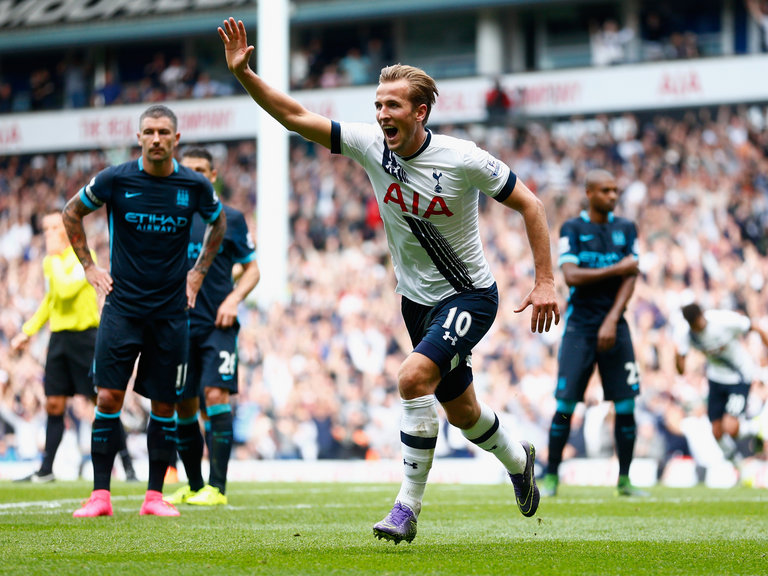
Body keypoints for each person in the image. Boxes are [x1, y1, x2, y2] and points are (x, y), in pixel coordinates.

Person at [219, 18, 560, 544]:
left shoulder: (462, 158)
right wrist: (246, 75)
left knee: (411, 379)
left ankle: (406, 508)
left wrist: (544, 281)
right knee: (464, 412)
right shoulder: (369, 145)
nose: (381, 115)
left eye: (392, 106)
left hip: (469, 295)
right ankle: (519, 462)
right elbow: (292, 116)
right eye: (378, 106)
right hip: (415, 302)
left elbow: (530, 204)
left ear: (420, 111)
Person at [62, 104, 226, 517]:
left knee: (165, 403)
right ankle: (101, 495)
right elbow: (71, 212)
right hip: (123, 307)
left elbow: (218, 222)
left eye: (163, 132)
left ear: (176, 139)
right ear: (139, 138)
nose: (156, 138)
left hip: (171, 312)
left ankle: (154, 496)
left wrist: (198, 274)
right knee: (108, 395)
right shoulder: (116, 179)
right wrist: (89, 266)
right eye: (149, 131)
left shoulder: (193, 185)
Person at [164, 147, 260, 507]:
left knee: (215, 396)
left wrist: (234, 299)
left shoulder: (230, 218)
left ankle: (217, 489)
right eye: (189, 170)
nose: (196, 176)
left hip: (218, 324)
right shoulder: (169, 217)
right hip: (177, 326)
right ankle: (194, 484)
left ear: (213, 175)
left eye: (202, 170)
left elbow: (253, 269)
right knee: (184, 406)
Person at [541, 169, 645, 498]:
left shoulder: (626, 228)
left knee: (626, 405)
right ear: (590, 193)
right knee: (566, 403)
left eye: (615, 190)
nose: (613, 196)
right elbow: (572, 276)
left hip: (615, 324)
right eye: (605, 191)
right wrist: (619, 267)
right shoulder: (572, 228)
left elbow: (632, 278)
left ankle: (625, 480)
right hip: (579, 327)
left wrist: (612, 318)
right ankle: (552, 476)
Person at [11, 211, 136, 483]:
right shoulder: (50, 263)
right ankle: (46, 470)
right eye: (46, 228)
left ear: (67, 231)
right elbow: (51, 301)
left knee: (104, 401)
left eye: (55, 227)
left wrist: (53, 260)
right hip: (59, 339)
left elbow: (66, 290)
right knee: (54, 403)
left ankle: (128, 468)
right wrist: (27, 332)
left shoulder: (82, 257)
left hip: (85, 338)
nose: (49, 233)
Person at [674, 302, 768, 460]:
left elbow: (755, 327)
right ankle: (736, 465)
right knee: (716, 432)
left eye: (699, 323)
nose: (698, 328)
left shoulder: (724, 320)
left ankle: (755, 428)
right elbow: (681, 369)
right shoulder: (686, 334)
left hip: (739, 376)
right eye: (694, 326)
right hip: (716, 379)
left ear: (702, 315)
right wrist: (676, 355)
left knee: (730, 427)